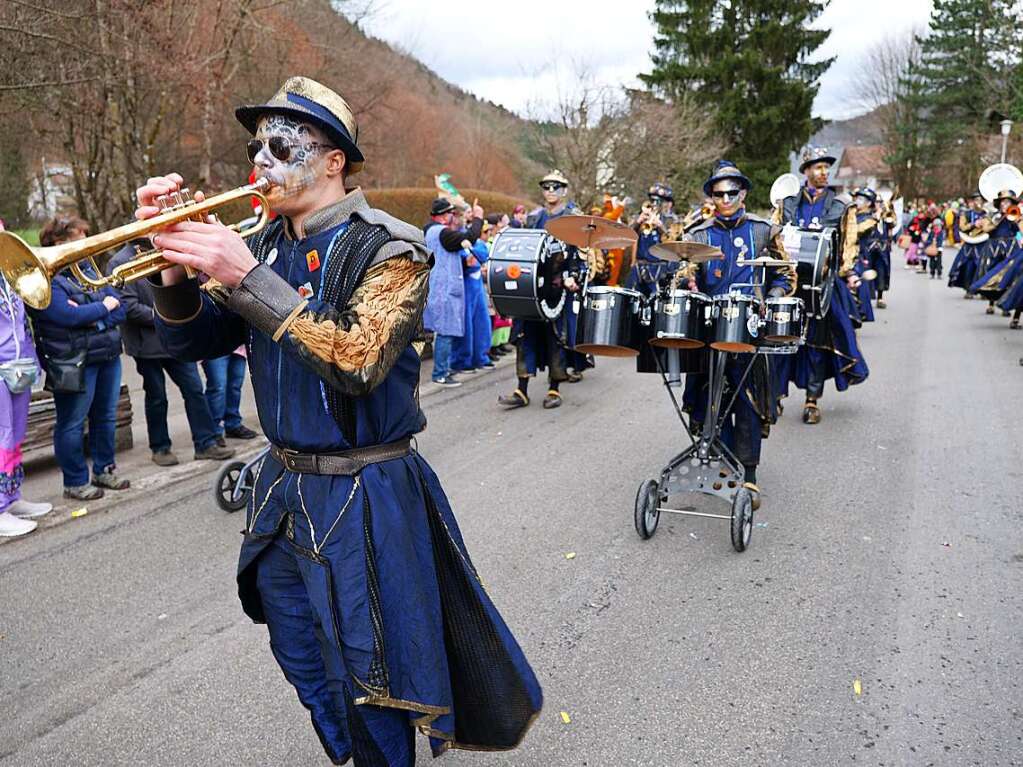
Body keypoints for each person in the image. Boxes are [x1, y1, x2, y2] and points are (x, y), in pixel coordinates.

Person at [138, 76, 541, 765]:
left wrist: (245, 278)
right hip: (284, 491)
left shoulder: (392, 248)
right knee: (302, 649)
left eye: (280, 143)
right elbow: (188, 339)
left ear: (333, 160)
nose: (260, 160)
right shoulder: (265, 243)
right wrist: (170, 266)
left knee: (373, 676)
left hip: (364, 494)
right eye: (255, 145)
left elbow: (358, 358)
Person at [681, 161, 796, 509]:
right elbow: (684, 273)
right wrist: (686, 281)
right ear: (711, 197)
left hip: (749, 329)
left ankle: (748, 474)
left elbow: (785, 275)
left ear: (743, 192)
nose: (726, 198)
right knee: (707, 399)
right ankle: (718, 463)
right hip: (707, 329)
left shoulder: (764, 230)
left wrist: (772, 299)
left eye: (732, 192)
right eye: (719, 193)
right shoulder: (698, 234)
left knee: (746, 401)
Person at [28, 217, 131, 500]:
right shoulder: (45, 280)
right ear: (59, 243)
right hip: (74, 361)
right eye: (80, 238)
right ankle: (74, 482)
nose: (87, 244)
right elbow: (64, 316)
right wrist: (102, 309)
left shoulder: (89, 269)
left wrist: (94, 316)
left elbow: (119, 306)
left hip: (107, 354)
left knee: (105, 418)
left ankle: (104, 470)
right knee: (72, 423)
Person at [107, 239, 236, 465]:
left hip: (175, 339)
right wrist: (170, 316)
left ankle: (206, 442)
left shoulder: (167, 251)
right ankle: (160, 448)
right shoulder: (118, 261)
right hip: (146, 345)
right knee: (157, 397)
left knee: (195, 390)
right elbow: (129, 307)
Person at [777, 146, 869, 425]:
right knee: (780, 339)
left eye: (826, 168)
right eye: (818, 168)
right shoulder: (788, 204)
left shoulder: (841, 205)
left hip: (824, 284)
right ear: (805, 171)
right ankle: (775, 396)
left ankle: (812, 400)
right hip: (790, 283)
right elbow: (775, 239)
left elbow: (849, 244)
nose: (823, 172)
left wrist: (847, 271)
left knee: (817, 344)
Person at [498, 170, 583, 409]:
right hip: (533, 285)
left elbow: (579, 256)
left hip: (558, 287)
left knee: (556, 337)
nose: (551, 191)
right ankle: (521, 389)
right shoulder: (535, 218)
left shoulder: (572, 218)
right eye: (547, 187)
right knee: (525, 335)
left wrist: (573, 277)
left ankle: (555, 388)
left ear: (564, 190)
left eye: (556, 187)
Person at [0, 249, 53, 537]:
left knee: (17, 434)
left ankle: (11, 497)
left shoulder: (8, 276)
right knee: (2, 437)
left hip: (17, 364)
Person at [423, 197, 483, 387]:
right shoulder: (442, 233)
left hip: (438, 287)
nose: (453, 217)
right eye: (451, 213)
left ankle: (443, 370)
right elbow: (469, 238)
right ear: (442, 216)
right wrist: (478, 219)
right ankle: (440, 373)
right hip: (445, 289)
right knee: (445, 332)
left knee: (443, 332)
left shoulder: (430, 231)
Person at [451, 212, 494, 373]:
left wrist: (473, 255)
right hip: (466, 284)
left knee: (482, 321)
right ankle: (462, 360)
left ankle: (481, 356)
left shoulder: (474, 239)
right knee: (466, 324)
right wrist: (471, 258)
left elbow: (482, 256)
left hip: (476, 284)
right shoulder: (457, 236)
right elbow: (468, 260)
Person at [970, 189, 1020, 316]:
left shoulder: (1016, 215)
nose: (1005, 204)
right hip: (993, 247)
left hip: (1011, 246)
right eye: (1003, 202)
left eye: (1008, 202)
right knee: (992, 273)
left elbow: (1021, 231)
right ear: (999, 204)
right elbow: (986, 229)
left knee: (1011, 275)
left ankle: (1005, 306)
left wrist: (1016, 220)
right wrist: (998, 220)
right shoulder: (991, 215)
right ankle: (991, 303)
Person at [202, 350, 259, 442]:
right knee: (218, 388)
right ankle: (213, 432)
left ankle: (233, 424)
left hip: (238, 346)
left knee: (235, 386)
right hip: (214, 345)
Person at [947, 192, 987, 297]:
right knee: (968, 266)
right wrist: (974, 224)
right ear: (973, 202)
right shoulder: (966, 214)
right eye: (976, 200)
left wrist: (985, 224)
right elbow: (962, 227)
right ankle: (968, 289)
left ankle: (982, 290)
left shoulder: (987, 215)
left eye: (980, 200)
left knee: (982, 266)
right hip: (970, 243)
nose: (978, 203)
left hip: (982, 242)